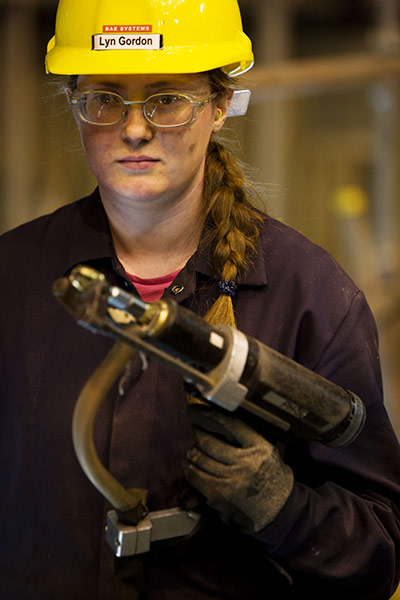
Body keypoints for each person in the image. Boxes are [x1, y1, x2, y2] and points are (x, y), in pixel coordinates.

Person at [0, 0, 399, 598]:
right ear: (74, 105)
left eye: (166, 99)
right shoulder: (12, 278)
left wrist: (283, 509)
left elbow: (380, 554)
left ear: (218, 106)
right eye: (105, 98)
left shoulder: (309, 294)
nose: (135, 129)